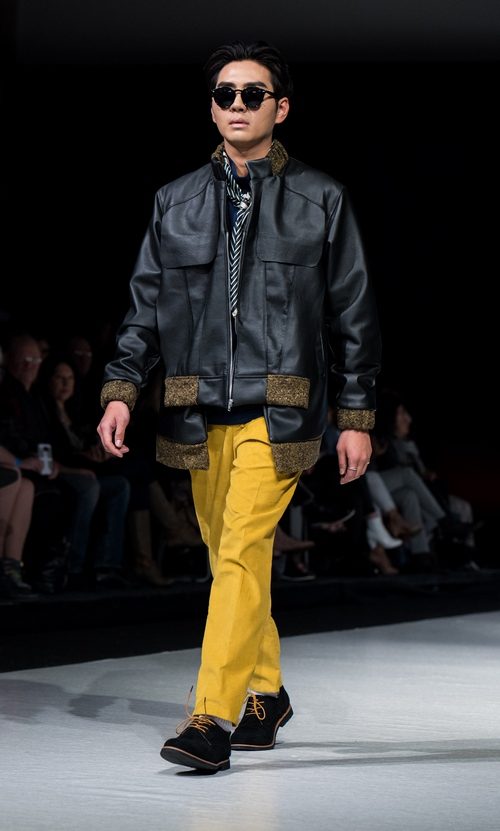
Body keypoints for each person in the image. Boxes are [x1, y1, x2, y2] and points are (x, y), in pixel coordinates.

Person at [97, 40, 381, 773]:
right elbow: (144, 306)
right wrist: (122, 389)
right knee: (233, 558)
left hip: (280, 408)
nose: (237, 105)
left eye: (253, 94)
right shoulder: (175, 201)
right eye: (226, 93)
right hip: (195, 409)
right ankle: (266, 691)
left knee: (241, 550)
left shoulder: (321, 198)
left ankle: (211, 716)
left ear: (280, 108)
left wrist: (355, 417)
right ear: (212, 106)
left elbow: (354, 314)